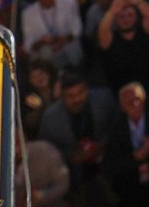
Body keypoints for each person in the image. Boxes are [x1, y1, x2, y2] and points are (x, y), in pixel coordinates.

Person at [37, 70, 116, 199]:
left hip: (109, 165)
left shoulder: (103, 99)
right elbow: (45, 152)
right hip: (74, 177)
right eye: (70, 96)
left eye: (81, 92)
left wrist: (104, 145)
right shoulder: (50, 119)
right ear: (62, 96)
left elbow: (118, 126)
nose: (77, 99)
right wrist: (71, 157)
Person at [108, 81, 149, 207]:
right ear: (122, 107)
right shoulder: (116, 126)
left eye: (138, 99)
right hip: (133, 184)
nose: (136, 104)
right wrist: (133, 157)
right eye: (129, 102)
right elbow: (112, 161)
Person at [22, 0, 84, 69]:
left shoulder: (70, 2)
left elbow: (77, 28)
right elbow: (28, 45)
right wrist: (41, 42)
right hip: (49, 59)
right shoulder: (28, 14)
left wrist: (64, 39)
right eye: (44, 0)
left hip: (71, 52)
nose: (48, 2)